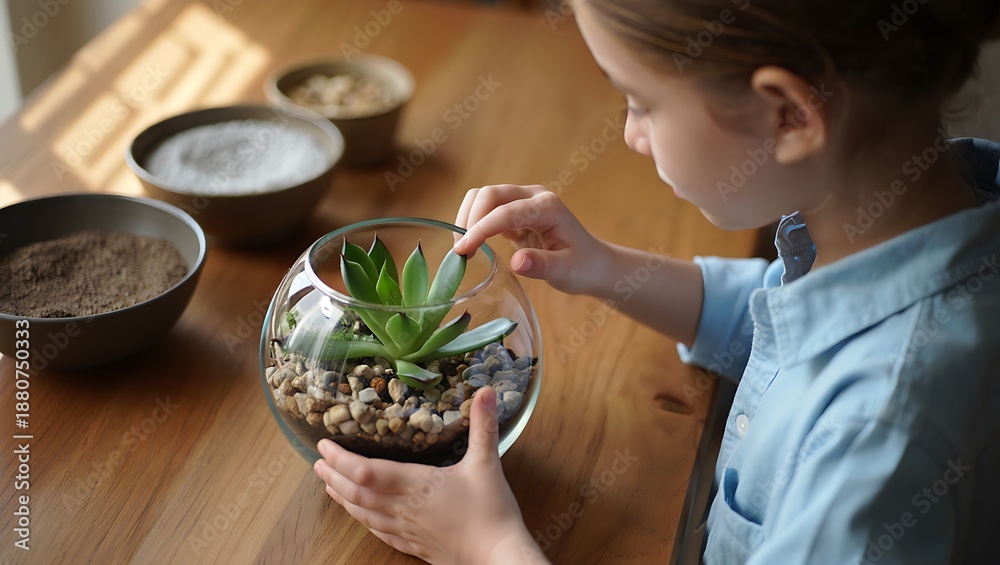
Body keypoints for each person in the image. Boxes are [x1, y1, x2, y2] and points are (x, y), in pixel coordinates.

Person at [313, 0, 1000, 562]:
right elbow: (785, 321)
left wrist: (487, 545)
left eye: (640, 102)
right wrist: (610, 269)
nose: (631, 136)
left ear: (788, 114)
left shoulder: (878, 444)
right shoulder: (909, 229)